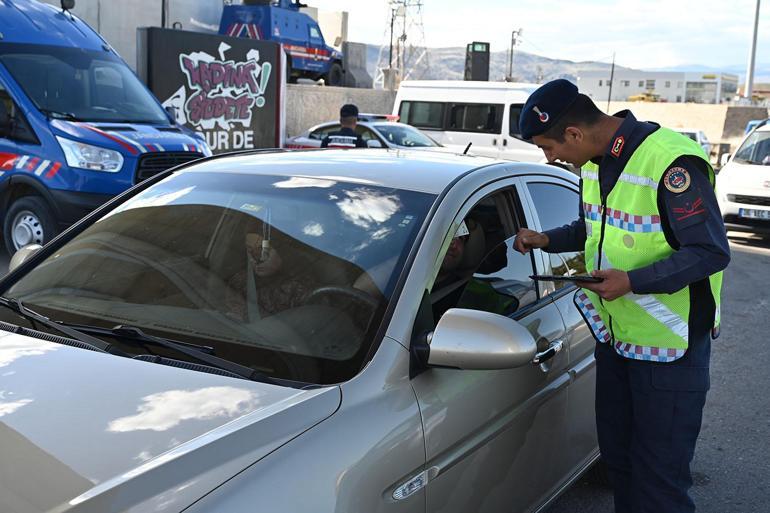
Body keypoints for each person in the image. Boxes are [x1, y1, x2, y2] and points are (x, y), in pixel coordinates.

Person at [513, 79, 730, 513]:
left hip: (670, 350)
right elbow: (595, 228)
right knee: (621, 465)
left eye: (548, 148)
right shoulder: (593, 163)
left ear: (573, 133)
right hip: (617, 341)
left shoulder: (669, 162)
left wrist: (631, 282)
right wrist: (546, 239)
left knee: (659, 482)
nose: (549, 158)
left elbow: (710, 251)